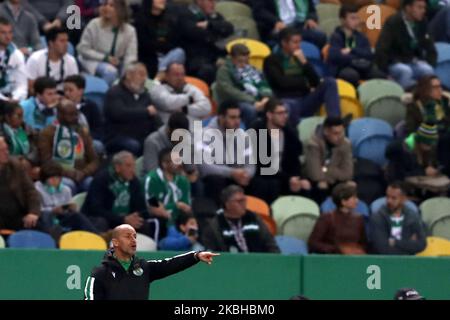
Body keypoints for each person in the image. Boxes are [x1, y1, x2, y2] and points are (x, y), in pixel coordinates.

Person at [83, 223, 219, 300]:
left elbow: (170, 264)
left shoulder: (143, 267)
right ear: (115, 243)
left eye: (135, 236)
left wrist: (195, 256)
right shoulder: (100, 272)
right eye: (127, 236)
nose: (133, 240)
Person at [264, 27, 340, 127]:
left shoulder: (300, 58)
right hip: (286, 101)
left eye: (299, 42)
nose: (298, 46)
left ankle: (335, 122)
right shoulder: (272, 60)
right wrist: (305, 83)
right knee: (289, 104)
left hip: (305, 100)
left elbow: (315, 82)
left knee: (330, 82)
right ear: (284, 43)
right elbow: (282, 83)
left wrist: (305, 63)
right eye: (295, 42)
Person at [248, 98, 311, 204]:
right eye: (280, 113)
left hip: (284, 176)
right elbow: (262, 166)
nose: (285, 116)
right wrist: (289, 178)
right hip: (263, 176)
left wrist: (298, 178)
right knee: (270, 185)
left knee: (306, 186)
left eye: (286, 112)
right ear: (269, 115)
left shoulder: (289, 132)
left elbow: (294, 160)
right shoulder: (257, 131)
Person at [82, 151, 155, 238]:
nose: (132, 170)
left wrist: (135, 216)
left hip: (124, 219)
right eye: (128, 166)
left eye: (134, 166)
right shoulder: (102, 179)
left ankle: (142, 250)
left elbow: (141, 207)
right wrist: (122, 219)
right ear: (117, 167)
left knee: (142, 224)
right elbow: (95, 209)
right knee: (101, 222)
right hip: (104, 218)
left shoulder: (134, 181)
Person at [197, 101, 255, 205]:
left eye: (238, 117)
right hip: (217, 177)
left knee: (262, 181)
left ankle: (253, 214)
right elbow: (204, 167)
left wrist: (245, 174)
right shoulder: (205, 134)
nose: (237, 122)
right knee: (215, 180)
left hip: (236, 177)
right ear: (221, 117)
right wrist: (232, 173)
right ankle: (216, 215)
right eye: (232, 117)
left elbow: (250, 163)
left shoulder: (242, 135)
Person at [38, 98, 99, 194]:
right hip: (60, 175)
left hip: (82, 174)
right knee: (68, 185)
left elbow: (94, 160)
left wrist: (84, 172)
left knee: (92, 183)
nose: (75, 118)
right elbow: (47, 162)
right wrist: (68, 173)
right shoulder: (47, 133)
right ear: (59, 115)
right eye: (70, 114)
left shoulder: (82, 131)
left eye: (76, 114)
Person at [104, 62, 162, 157]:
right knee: (134, 145)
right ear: (128, 75)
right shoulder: (114, 92)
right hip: (118, 137)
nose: (144, 79)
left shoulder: (145, 95)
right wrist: (145, 111)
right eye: (141, 74)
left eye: (145, 75)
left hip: (142, 136)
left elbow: (155, 118)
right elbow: (119, 113)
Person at [375, 0, 436, 90]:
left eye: (424, 8)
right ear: (408, 8)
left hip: (412, 61)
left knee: (428, 70)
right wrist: (385, 73)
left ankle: (424, 98)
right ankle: (404, 98)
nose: (423, 10)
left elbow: (430, 46)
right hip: (394, 62)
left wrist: (429, 62)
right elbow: (381, 48)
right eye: (419, 7)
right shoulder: (394, 22)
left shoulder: (422, 22)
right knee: (405, 71)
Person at [201, 185, 280, 253]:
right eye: (239, 201)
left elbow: (270, 244)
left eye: (244, 200)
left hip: (258, 263)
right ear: (227, 204)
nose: (243, 204)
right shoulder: (214, 226)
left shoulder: (254, 218)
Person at [77, 0, 138, 86]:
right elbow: (83, 49)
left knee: (134, 74)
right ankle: (105, 96)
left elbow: (131, 56)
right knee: (110, 72)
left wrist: (127, 72)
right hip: (92, 60)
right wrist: (105, 58)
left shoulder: (130, 31)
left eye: (111, 5)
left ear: (120, 9)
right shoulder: (94, 24)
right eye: (105, 4)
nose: (106, 7)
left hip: (117, 64)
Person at [215, 43, 272, 128]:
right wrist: (253, 101)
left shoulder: (251, 68)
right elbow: (230, 91)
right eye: (240, 61)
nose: (243, 64)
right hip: (234, 102)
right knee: (250, 110)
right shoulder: (224, 70)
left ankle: (273, 137)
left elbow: (262, 83)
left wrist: (265, 98)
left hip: (258, 100)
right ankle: (252, 136)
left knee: (277, 107)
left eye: (246, 60)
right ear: (232, 58)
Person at [34, 160, 98, 237]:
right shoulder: (37, 188)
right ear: (44, 179)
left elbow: (69, 205)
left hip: (62, 218)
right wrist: (52, 210)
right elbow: (37, 210)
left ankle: (97, 236)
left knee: (77, 216)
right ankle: (99, 235)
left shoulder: (66, 190)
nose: (55, 180)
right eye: (51, 178)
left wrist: (71, 208)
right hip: (47, 219)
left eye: (57, 178)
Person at [178, 0, 234, 84]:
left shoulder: (214, 16)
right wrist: (216, 32)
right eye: (210, 1)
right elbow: (195, 33)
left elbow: (229, 28)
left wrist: (209, 25)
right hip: (196, 59)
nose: (213, 4)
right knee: (208, 70)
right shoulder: (186, 13)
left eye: (214, 1)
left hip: (216, 56)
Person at [328, 4, 383, 87]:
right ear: (343, 20)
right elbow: (335, 56)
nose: (356, 21)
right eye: (352, 18)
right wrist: (356, 57)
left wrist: (351, 51)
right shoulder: (336, 36)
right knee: (351, 75)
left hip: (362, 66)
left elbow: (369, 54)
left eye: (357, 18)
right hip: (344, 68)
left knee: (380, 75)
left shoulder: (361, 37)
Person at [405, 75, 450, 175]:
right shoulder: (415, 107)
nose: (440, 90)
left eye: (440, 86)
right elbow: (411, 130)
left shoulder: (444, 103)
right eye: (435, 87)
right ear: (425, 89)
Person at [304, 116, 354, 204]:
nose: (340, 136)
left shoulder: (346, 143)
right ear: (326, 131)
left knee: (351, 185)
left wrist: (327, 170)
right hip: (315, 182)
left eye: (342, 132)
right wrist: (336, 171)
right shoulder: (313, 144)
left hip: (335, 180)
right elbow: (315, 174)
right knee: (321, 185)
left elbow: (348, 173)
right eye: (336, 133)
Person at [144, 148, 192, 237]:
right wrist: (177, 205)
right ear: (164, 164)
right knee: (159, 220)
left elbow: (187, 207)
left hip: (179, 221)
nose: (180, 164)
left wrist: (165, 207)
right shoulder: (152, 179)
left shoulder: (183, 181)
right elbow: (154, 208)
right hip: (159, 222)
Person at [308, 182, 367, 254]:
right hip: (332, 259)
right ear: (343, 201)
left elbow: (363, 243)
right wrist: (336, 250)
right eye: (353, 198)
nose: (357, 201)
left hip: (355, 258)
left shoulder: (359, 219)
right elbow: (313, 243)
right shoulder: (327, 218)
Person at [369, 182, 426, 255]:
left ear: (404, 199)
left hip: (408, 262)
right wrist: (409, 244)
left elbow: (421, 244)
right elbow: (382, 248)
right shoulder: (378, 217)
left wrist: (394, 242)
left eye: (394, 198)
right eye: (387, 197)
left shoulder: (413, 217)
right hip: (384, 262)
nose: (389, 201)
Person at [134, 0, 185, 80]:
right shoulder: (141, 19)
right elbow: (144, 45)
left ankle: (159, 75)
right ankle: (159, 76)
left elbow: (174, 42)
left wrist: (161, 45)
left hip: (167, 58)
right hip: (148, 58)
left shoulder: (170, 19)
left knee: (180, 52)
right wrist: (162, 45)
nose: (163, 0)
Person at [0, 135, 42, 231]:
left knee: (41, 227)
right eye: (1, 151)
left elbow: (30, 191)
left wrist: (33, 212)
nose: (6, 153)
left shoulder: (15, 166)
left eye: (6, 149)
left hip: (20, 216)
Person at [252, 0, 327, 49]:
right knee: (289, 40)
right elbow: (259, 11)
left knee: (320, 36)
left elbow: (311, 10)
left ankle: (315, 67)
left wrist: (310, 18)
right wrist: (275, 21)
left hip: (297, 26)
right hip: (274, 28)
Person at [26, 27, 78, 92]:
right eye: (62, 41)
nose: (66, 44)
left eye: (67, 40)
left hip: (63, 98)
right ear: (51, 43)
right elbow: (31, 88)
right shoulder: (35, 59)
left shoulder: (71, 61)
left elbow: (74, 88)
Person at [0, 102, 39, 179]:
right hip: (9, 167)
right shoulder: (2, 132)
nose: (22, 119)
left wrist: (28, 160)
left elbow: (35, 149)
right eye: (18, 116)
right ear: (8, 117)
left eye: (22, 116)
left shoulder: (26, 129)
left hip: (29, 163)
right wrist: (19, 160)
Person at [63, 75, 104, 142]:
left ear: (81, 91)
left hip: (87, 140)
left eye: (70, 90)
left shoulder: (90, 106)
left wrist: (85, 138)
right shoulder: (60, 106)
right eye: (65, 90)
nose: (66, 93)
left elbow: (98, 129)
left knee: (97, 145)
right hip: (65, 140)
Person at [0, 16, 27, 101]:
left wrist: (15, 98)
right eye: (3, 33)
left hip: (11, 99)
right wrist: (4, 101)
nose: (8, 36)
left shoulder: (17, 55)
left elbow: (22, 85)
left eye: (10, 32)